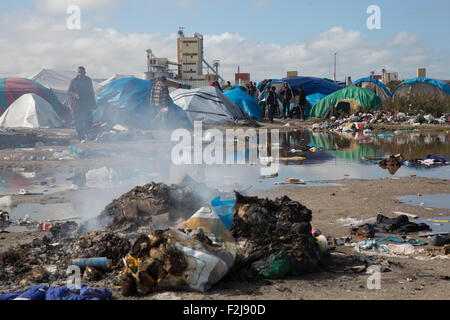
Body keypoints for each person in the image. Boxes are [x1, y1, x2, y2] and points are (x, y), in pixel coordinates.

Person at [68, 66, 97, 141]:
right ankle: (80, 136)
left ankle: (88, 134)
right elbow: (69, 91)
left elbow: (91, 92)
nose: (81, 74)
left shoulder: (88, 80)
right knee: (78, 121)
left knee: (88, 120)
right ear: (77, 73)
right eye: (80, 72)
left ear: (85, 73)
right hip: (77, 105)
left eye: (83, 72)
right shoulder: (73, 81)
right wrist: (75, 94)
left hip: (87, 104)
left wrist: (93, 104)